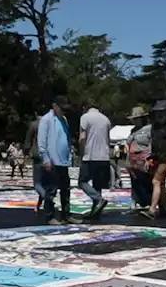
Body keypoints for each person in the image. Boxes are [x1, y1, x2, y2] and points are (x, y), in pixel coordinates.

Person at [38, 96, 73, 224]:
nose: (63, 111)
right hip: (52, 161)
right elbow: (42, 142)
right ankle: (49, 216)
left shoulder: (63, 119)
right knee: (51, 190)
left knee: (66, 190)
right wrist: (46, 159)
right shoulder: (46, 120)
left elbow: (66, 138)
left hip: (63, 161)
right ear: (54, 106)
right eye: (61, 108)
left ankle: (66, 214)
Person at [76, 100, 112, 220]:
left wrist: (81, 152)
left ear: (85, 107)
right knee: (98, 185)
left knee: (82, 182)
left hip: (90, 155)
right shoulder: (106, 119)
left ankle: (98, 199)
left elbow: (82, 137)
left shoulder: (85, 117)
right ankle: (96, 212)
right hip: (104, 156)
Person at [144, 100, 166, 219]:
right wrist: (149, 156)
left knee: (156, 182)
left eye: (161, 112)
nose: (159, 114)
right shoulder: (155, 126)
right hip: (156, 158)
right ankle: (165, 208)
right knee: (160, 184)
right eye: (157, 112)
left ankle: (152, 209)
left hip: (165, 158)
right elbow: (152, 142)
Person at [127, 108, 153, 211]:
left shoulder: (149, 129)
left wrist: (149, 157)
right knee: (134, 181)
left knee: (146, 180)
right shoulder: (133, 130)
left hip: (144, 158)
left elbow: (151, 143)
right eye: (134, 119)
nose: (135, 121)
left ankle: (149, 201)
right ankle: (134, 201)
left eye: (137, 119)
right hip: (133, 158)